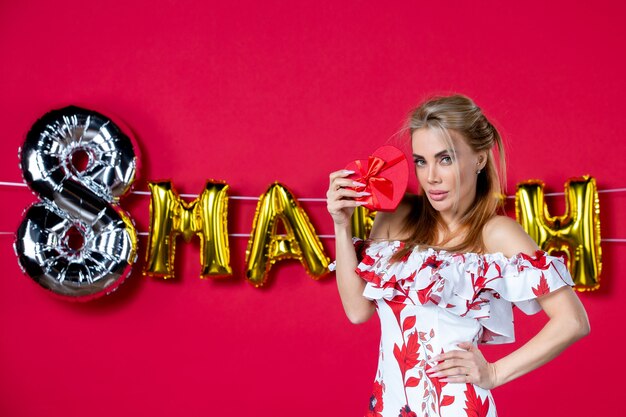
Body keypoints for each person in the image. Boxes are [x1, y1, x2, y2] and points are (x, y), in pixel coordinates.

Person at [326, 94, 590, 417]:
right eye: (421, 161)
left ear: (479, 158)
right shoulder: (397, 217)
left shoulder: (497, 234)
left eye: (446, 159)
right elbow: (356, 311)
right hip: (388, 407)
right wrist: (341, 225)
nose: (431, 177)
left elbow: (573, 321)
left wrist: (494, 373)